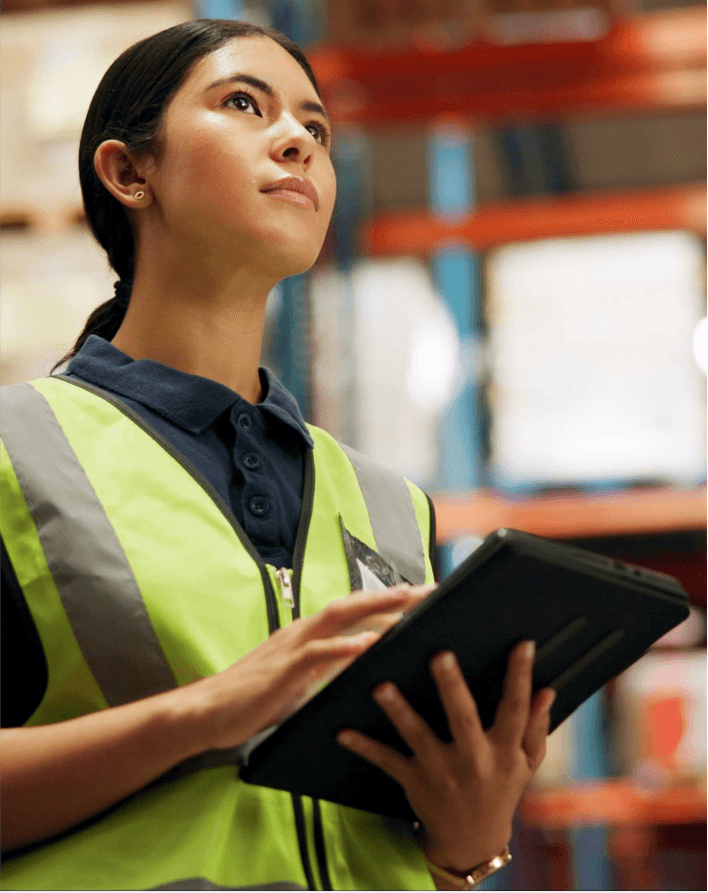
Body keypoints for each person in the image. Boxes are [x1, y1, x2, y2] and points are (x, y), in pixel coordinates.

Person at [0, 18, 556, 891]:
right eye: (243, 104)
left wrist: (468, 842)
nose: (296, 138)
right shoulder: (14, 453)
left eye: (316, 128)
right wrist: (203, 712)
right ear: (127, 171)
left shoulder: (390, 504)